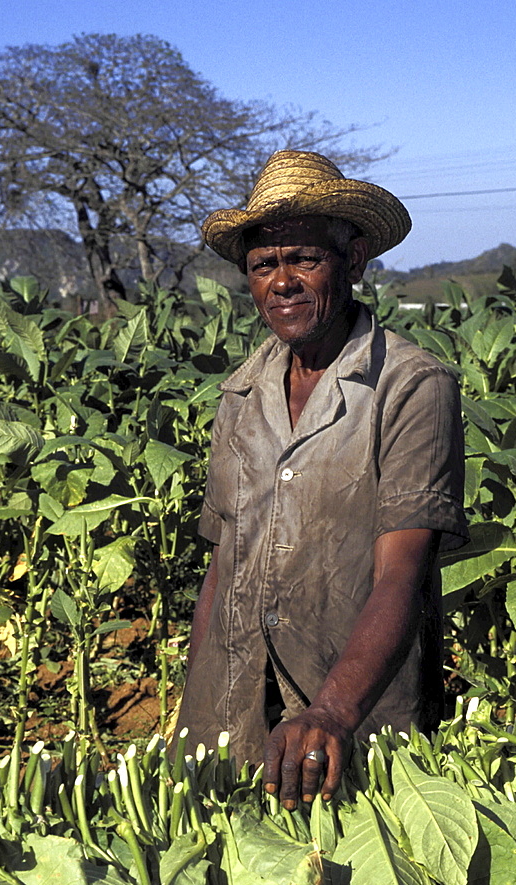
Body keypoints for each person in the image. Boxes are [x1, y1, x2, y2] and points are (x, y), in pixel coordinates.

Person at [175, 149, 468, 808]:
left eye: (303, 259)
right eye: (262, 265)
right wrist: (197, 710)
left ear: (354, 258)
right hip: (233, 709)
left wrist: (331, 713)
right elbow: (223, 565)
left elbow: (402, 571)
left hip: (352, 716)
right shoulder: (240, 394)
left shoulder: (411, 385)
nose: (281, 282)